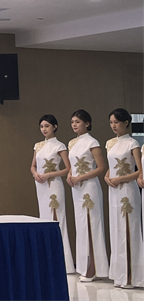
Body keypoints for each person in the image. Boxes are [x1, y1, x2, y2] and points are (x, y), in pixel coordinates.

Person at [66, 109, 109, 283]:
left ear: (87, 123)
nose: (74, 125)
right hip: (76, 188)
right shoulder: (72, 143)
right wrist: (70, 174)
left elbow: (101, 168)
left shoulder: (92, 142)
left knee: (92, 224)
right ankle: (84, 265)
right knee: (82, 225)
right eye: (72, 122)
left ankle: (94, 267)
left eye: (78, 122)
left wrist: (80, 177)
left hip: (89, 187)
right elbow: (72, 165)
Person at [104, 108, 143, 289]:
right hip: (113, 190)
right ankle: (119, 275)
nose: (113, 126)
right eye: (111, 122)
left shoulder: (132, 143)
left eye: (116, 122)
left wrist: (121, 179)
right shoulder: (110, 143)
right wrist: (107, 177)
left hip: (127, 190)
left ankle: (132, 277)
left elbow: (139, 171)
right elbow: (110, 166)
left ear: (126, 123)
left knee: (129, 229)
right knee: (117, 229)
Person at [30, 114, 75, 274]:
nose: (44, 129)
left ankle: (63, 263)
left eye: (47, 126)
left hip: (54, 185)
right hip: (40, 185)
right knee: (44, 218)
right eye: (42, 126)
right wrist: (35, 173)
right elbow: (33, 165)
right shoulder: (38, 145)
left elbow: (68, 168)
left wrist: (49, 174)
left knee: (57, 219)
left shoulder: (60, 146)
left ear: (54, 127)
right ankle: (47, 260)